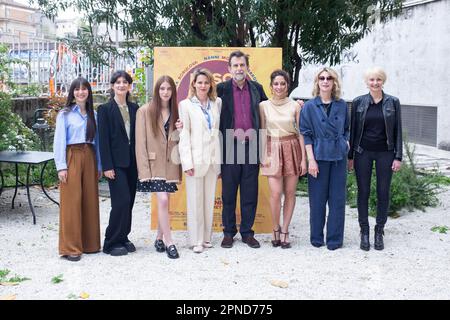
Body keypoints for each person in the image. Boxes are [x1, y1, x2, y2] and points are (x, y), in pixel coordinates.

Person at [217, 50, 268, 249]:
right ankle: (229, 232)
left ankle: (247, 233)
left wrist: (297, 106)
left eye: (242, 65)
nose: (239, 69)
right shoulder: (220, 89)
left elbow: (267, 112)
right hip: (229, 145)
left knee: (250, 192)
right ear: (229, 68)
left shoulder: (257, 88)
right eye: (235, 65)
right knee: (228, 193)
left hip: (252, 146)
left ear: (247, 67)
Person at [348, 67, 402, 251]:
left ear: (383, 81)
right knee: (363, 192)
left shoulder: (393, 102)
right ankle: (364, 231)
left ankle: (379, 230)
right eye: (371, 79)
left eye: (378, 79)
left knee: (383, 192)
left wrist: (398, 156)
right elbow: (353, 131)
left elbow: (398, 131)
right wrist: (350, 157)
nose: (375, 83)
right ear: (367, 82)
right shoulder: (358, 102)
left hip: (385, 152)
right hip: (363, 152)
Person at [300, 67, 349, 251]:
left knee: (337, 200)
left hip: (338, 157)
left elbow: (347, 128)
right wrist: (310, 160)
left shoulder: (342, 105)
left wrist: (346, 143)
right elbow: (306, 134)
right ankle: (317, 237)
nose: (325, 81)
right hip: (318, 157)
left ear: (334, 82)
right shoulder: (310, 106)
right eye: (322, 78)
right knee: (317, 200)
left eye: (329, 78)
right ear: (317, 82)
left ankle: (335, 239)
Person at [53, 77, 102, 262]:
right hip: (72, 156)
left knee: (90, 200)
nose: (80, 92)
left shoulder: (93, 115)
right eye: (77, 89)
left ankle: (90, 244)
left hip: (89, 156)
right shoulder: (65, 114)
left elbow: (97, 143)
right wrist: (61, 167)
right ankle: (71, 247)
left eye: (84, 89)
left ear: (89, 92)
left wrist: (99, 166)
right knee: (71, 202)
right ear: (72, 92)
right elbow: (59, 142)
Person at [259, 69, 307, 249]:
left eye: (283, 84)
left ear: (287, 86)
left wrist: (303, 159)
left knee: (290, 193)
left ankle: (285, 230)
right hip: (272, 148)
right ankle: (275, 228)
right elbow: (262, 131)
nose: (279, 87)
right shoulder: (263, 105)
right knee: (275, 193)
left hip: (292, 147)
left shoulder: (295, 106)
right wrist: (262, 154)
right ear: (271, 86)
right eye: (276, 84)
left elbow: (301, 133)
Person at [135, 75, 182, 259]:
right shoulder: (144, 111)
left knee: (166, 202)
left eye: (168, 89)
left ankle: (159, 238)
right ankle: (170, 242)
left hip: (170, 165)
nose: (165, 92)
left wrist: (181, 129)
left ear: (173, 91)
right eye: (162, 88)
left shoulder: (176, 112)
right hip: (153, 166)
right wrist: (144, 171)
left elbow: (179, 141)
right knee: (162, 200)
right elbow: (140, 143)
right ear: (157, 90)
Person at [179, 68, 222, 253]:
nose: (203, 85)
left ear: (210, 84)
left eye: (206, 82)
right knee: (195, 200)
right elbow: (184, 134)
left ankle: (206, 238)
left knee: (208, 199)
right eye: (200, 82)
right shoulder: (186, 105)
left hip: (213, 159)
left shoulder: (216, 103)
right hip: (195, 160)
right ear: (194, 84)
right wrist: (186, 162)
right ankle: (195, 240)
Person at [98, 70, 139, 256]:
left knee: (129, 202)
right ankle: (110, 242)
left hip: (132, 162)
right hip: (115, 164)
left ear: (129, 86)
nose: (121, 85)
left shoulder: (135, 108)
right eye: (118, 82)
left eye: (125, 82)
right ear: (112, 86)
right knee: (120, 202)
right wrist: (106, 166)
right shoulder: (105, 110)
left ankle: (123, 237)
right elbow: (103, 140)